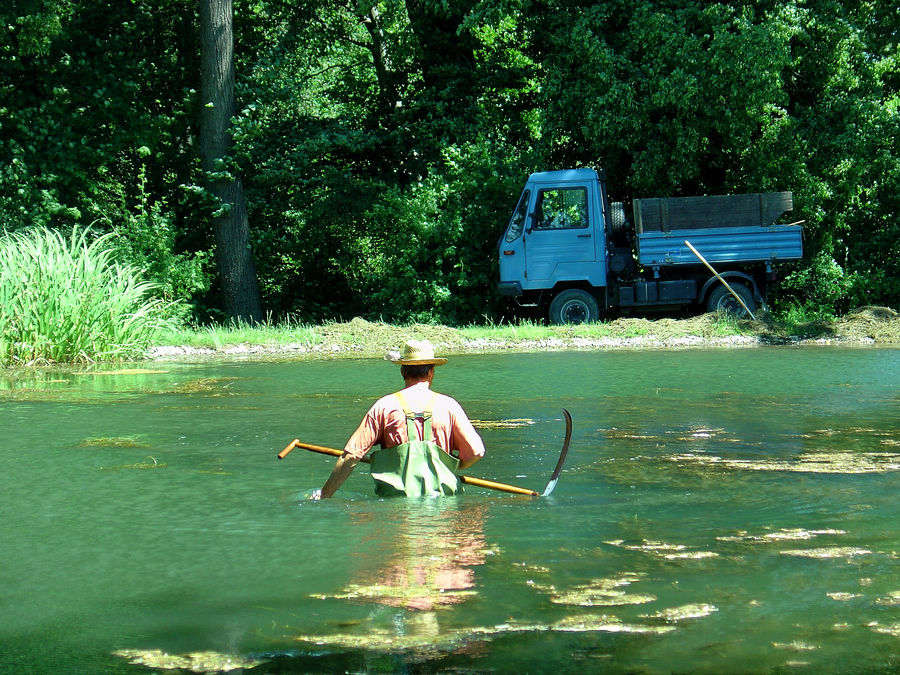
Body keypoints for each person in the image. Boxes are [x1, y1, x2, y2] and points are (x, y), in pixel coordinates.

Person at [312, 339, 485, 499]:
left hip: (396, 512)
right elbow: (476, 452)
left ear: (402, 371)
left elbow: (351, 457)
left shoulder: (384, 406)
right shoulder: (449, 406)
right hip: (443, 506)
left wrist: (324, 496)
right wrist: (450, 467)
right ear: (431, 372)